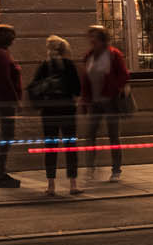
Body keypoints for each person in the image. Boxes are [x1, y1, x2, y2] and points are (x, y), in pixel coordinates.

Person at [28, 35, 83, 195]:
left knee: (50, 147)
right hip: (67, 110)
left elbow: (34, 87)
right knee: (70, 147)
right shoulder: (69, 65)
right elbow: (77, 89)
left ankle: (51, 185)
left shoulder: (44, 66)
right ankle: (73, 184)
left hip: (49, 111)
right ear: (64, 49)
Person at [79, 25, 129, 180]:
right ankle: (90, 168)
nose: (91, 40)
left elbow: (124, 75)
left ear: (102, 39)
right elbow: (85, 80)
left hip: (110, 101)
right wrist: (84, 100)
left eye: (94, 36)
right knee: (90, 134)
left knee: (113, 135)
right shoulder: (89, 56)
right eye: (90, 37)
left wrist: (114, 89)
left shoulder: (114, 55)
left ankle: (116, 170)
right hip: (95, 102)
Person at [0, 24, 23, 188]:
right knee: (7, 136)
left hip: (4, 99)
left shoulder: (1, 54)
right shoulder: (1, 55)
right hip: (5, 100)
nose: (14, 40)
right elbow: (5, 80)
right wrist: (16, 100)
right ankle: (0, 174)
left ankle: (1, 172)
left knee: (7, 136)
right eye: (12, 37)